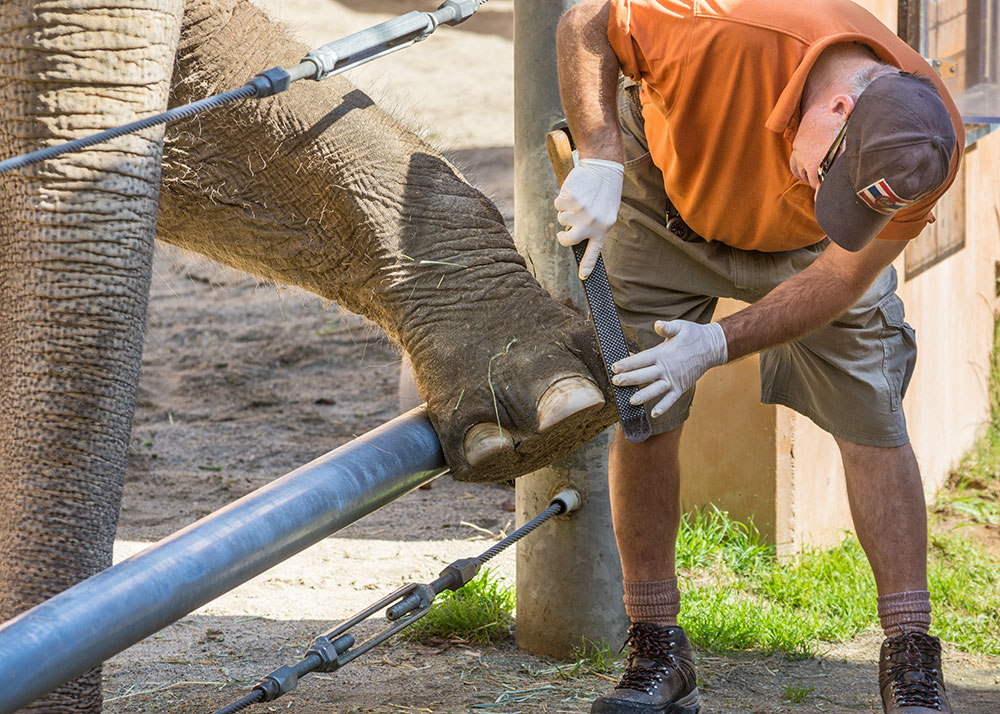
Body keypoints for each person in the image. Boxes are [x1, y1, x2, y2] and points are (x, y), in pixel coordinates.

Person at [553, 1, 964, 712]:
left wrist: (717, 344)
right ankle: (657, 648)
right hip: (666, 202)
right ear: (836, 106)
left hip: (812, 255)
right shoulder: (716, 22)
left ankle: (910, 654)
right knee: (644, 407)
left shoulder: (924, 143)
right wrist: (599, 152)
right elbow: (584, 19)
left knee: (872, 415)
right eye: (831, 176)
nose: (822, 190)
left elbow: (838, 278)